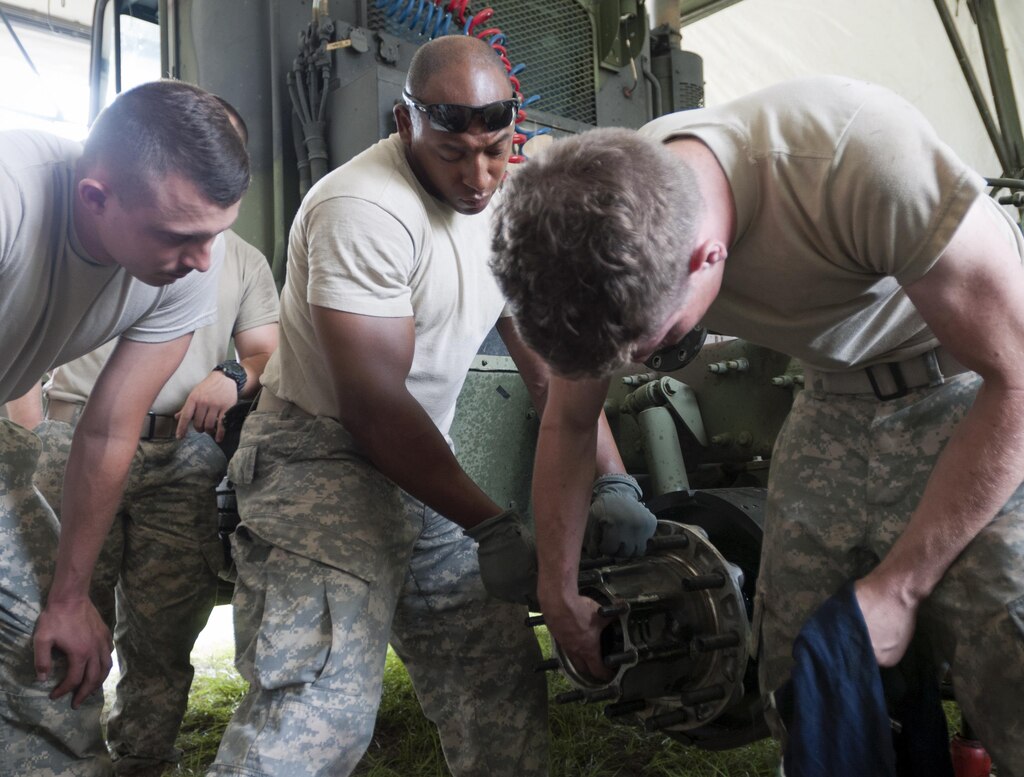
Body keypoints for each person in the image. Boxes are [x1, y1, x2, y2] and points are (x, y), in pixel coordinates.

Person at [489, 75, 1024, 777]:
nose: (630, 365)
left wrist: (900, 586)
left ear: (709, 257)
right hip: (830, 399)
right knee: (801, 673)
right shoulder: (603, 223)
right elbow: (568, 421)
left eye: (648, 346)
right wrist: (558, 592)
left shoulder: (857, 160)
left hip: (972, 386)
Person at [208, 34, 654, 777]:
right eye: (454, 152)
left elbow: (550, 365)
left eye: (496, 148)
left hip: (428, 462)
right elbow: (375, 407)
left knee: (498, 686)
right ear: (404, 121)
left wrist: (611, 476)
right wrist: (489, 522)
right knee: (317, 719)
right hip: (321, 460)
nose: (479, 176)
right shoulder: (361, 206)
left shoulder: (508, 200)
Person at [0, 80, 249, 776]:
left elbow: (111, 429)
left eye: (215, 233)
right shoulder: (10, 201)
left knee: (42, 635)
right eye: (181, 237)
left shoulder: (194, 251)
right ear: (94, 198)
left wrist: (72, 598)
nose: (203, 260)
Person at [16, 221, 278, 776]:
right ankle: (62, 762)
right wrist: (37, 436)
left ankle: (142, 759)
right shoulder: (98, 239)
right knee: (61, 614)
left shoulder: (243, 260)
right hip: (74, 448)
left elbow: (266, 355)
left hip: (181, 455)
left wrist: (232, 374)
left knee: (166, 629)